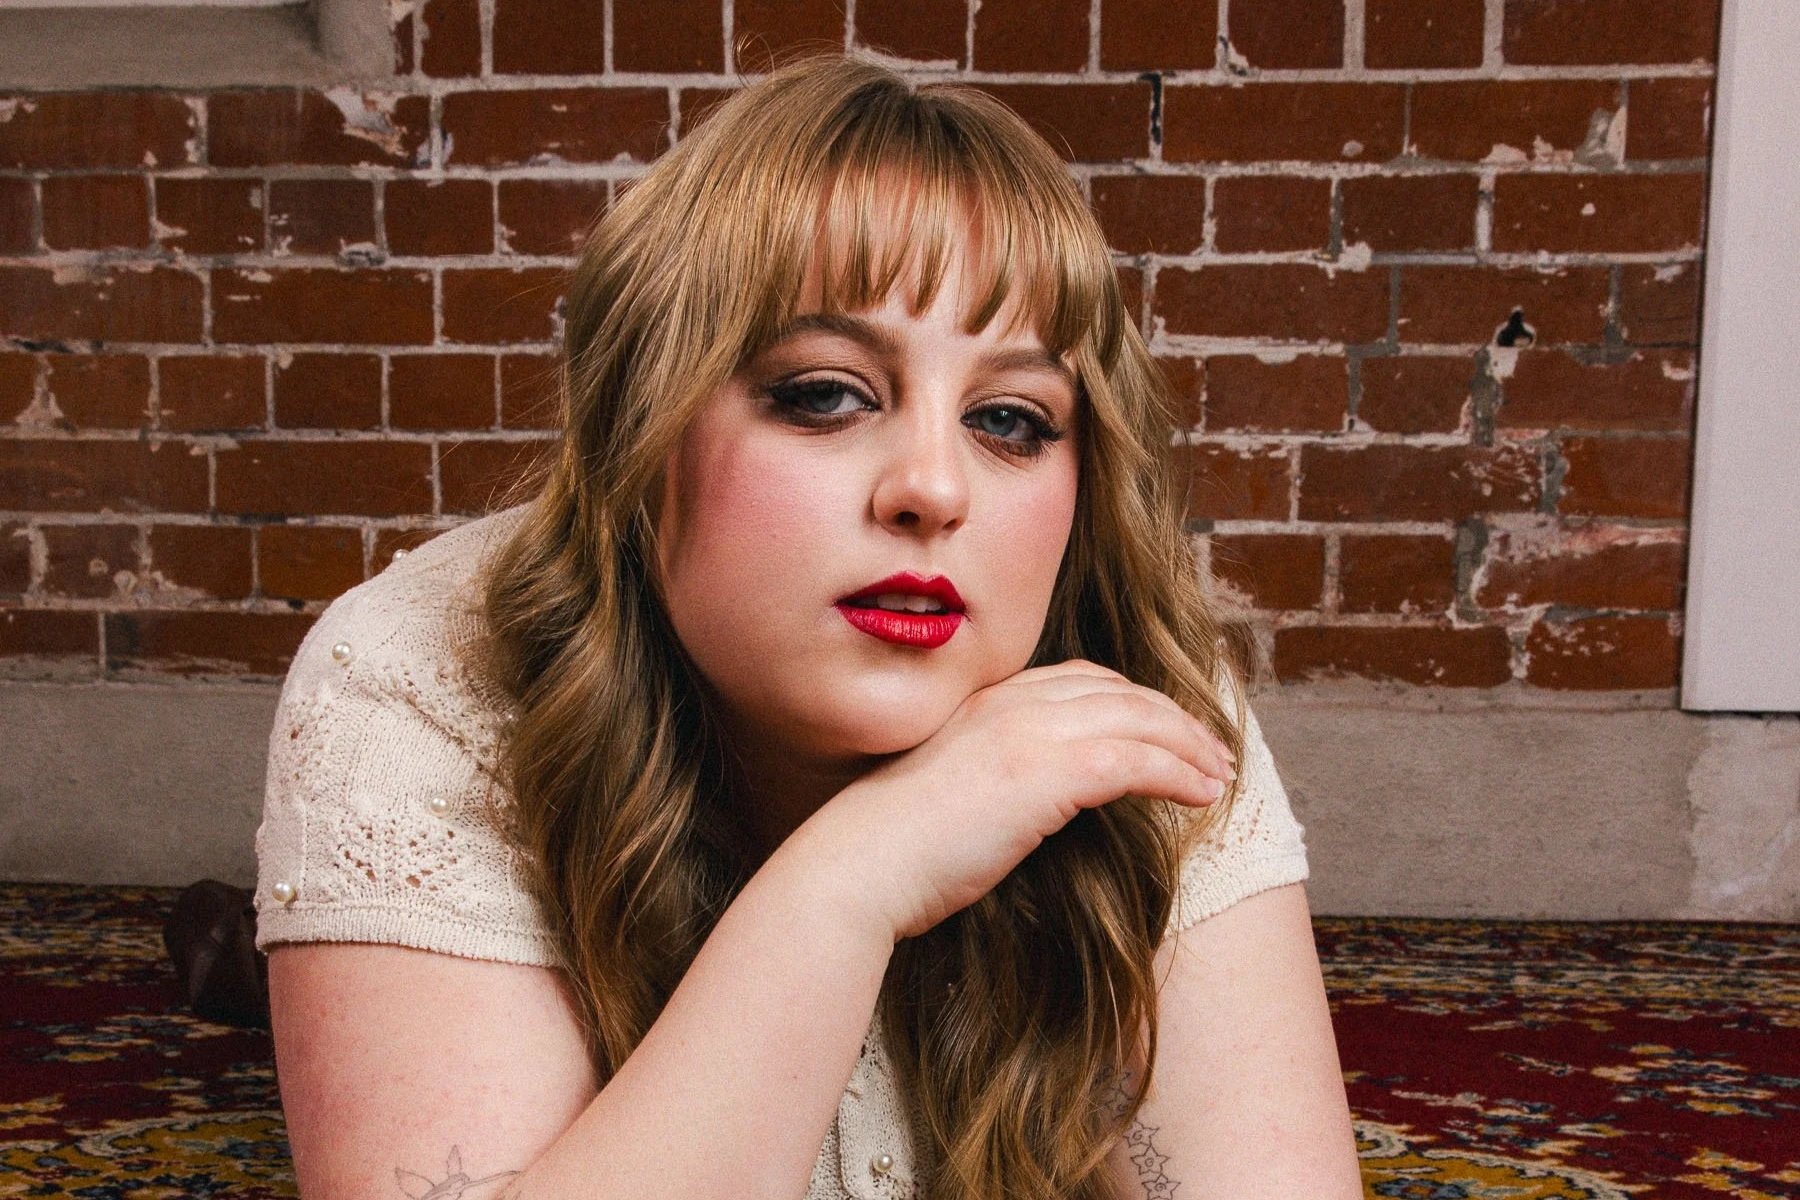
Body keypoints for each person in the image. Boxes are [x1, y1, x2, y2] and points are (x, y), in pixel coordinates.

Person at [252, 49, 1361, 1200]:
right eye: (826, 394)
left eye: (1010, 419)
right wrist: (856, 879)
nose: (933, 488)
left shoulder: (1130, 684)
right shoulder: (418, 671)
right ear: (641, 430)